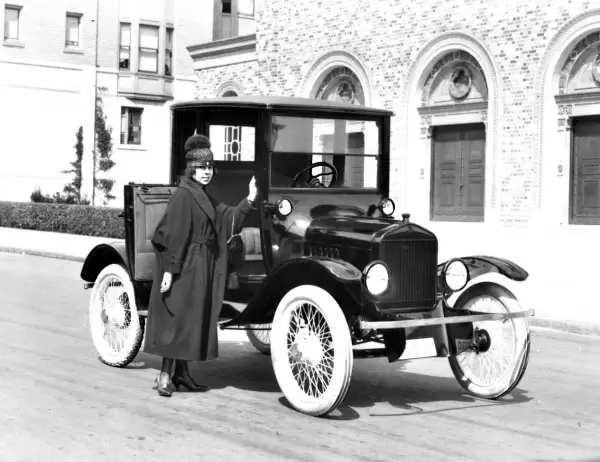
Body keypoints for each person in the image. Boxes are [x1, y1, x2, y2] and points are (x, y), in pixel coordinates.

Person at [143, 132, 257, 397]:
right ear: (191, 169)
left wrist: (249, 200)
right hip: (185, 265)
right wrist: (170, 272)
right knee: (178, 317)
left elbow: (227, 219)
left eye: (209, 168)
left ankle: (182, 374)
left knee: (192, 320)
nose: (206, 172)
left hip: (202, 265)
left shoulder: (203, 195)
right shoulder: (184, 195)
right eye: (201, 168)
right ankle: (165, 374)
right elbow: (175, 235)